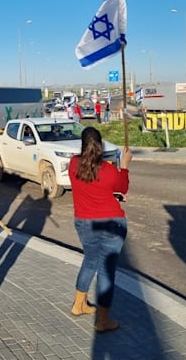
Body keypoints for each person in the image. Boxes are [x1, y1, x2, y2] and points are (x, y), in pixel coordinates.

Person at [69, 126, 131, 332]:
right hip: (111, 223)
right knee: (106, 271)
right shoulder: (109, 170)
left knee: (90, 260)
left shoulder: (73, 165)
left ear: (82, 144)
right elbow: (122, 187)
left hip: (84, 222)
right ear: (101, 145)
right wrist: (125, 165)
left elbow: (89, 186)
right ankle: (103, 321)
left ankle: (79, 304)